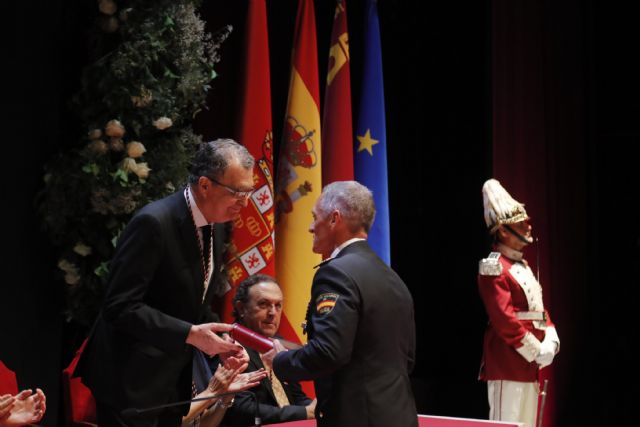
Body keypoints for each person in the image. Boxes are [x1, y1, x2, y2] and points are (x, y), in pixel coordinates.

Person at [77, 139, 256, 427]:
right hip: (129, 381)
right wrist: (191, 334)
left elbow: (192, 302)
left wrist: (221, 343)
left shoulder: (218, 223)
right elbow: (119, 306)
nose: (244, 202)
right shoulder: (154, 222)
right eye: (236, 192)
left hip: (170, 381)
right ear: (205, 185)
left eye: (248, 192)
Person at [263, 181, 418, 427]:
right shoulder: (392, 278)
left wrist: (281, 361)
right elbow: (407, 358)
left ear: (334, 219)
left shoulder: (336, 274)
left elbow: (329, 352)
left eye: (315, 217)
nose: (311, 227)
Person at [477, 179, 560, 427]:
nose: (528, 226)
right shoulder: (493, 267)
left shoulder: (520, 265)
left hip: (529, 366)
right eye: (520, 223)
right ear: (503, 230)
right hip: (508, 364)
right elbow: (505, 320)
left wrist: (552, 338)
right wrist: (537, 351)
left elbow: (537, 310)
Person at [221, 274, 316, 426]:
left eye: (278, 305)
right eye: (264, 304)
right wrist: (305, 412)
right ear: (241, 308)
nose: (273, 313)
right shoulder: (229, 347)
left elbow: (297, 397)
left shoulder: (278, 345)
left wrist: (318, 408)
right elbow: (241, 410)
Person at [182, 358, 266, 427]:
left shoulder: (194, 355)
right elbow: (171, 421)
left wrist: (225, 398)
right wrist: (211, 392)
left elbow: (201, 424)